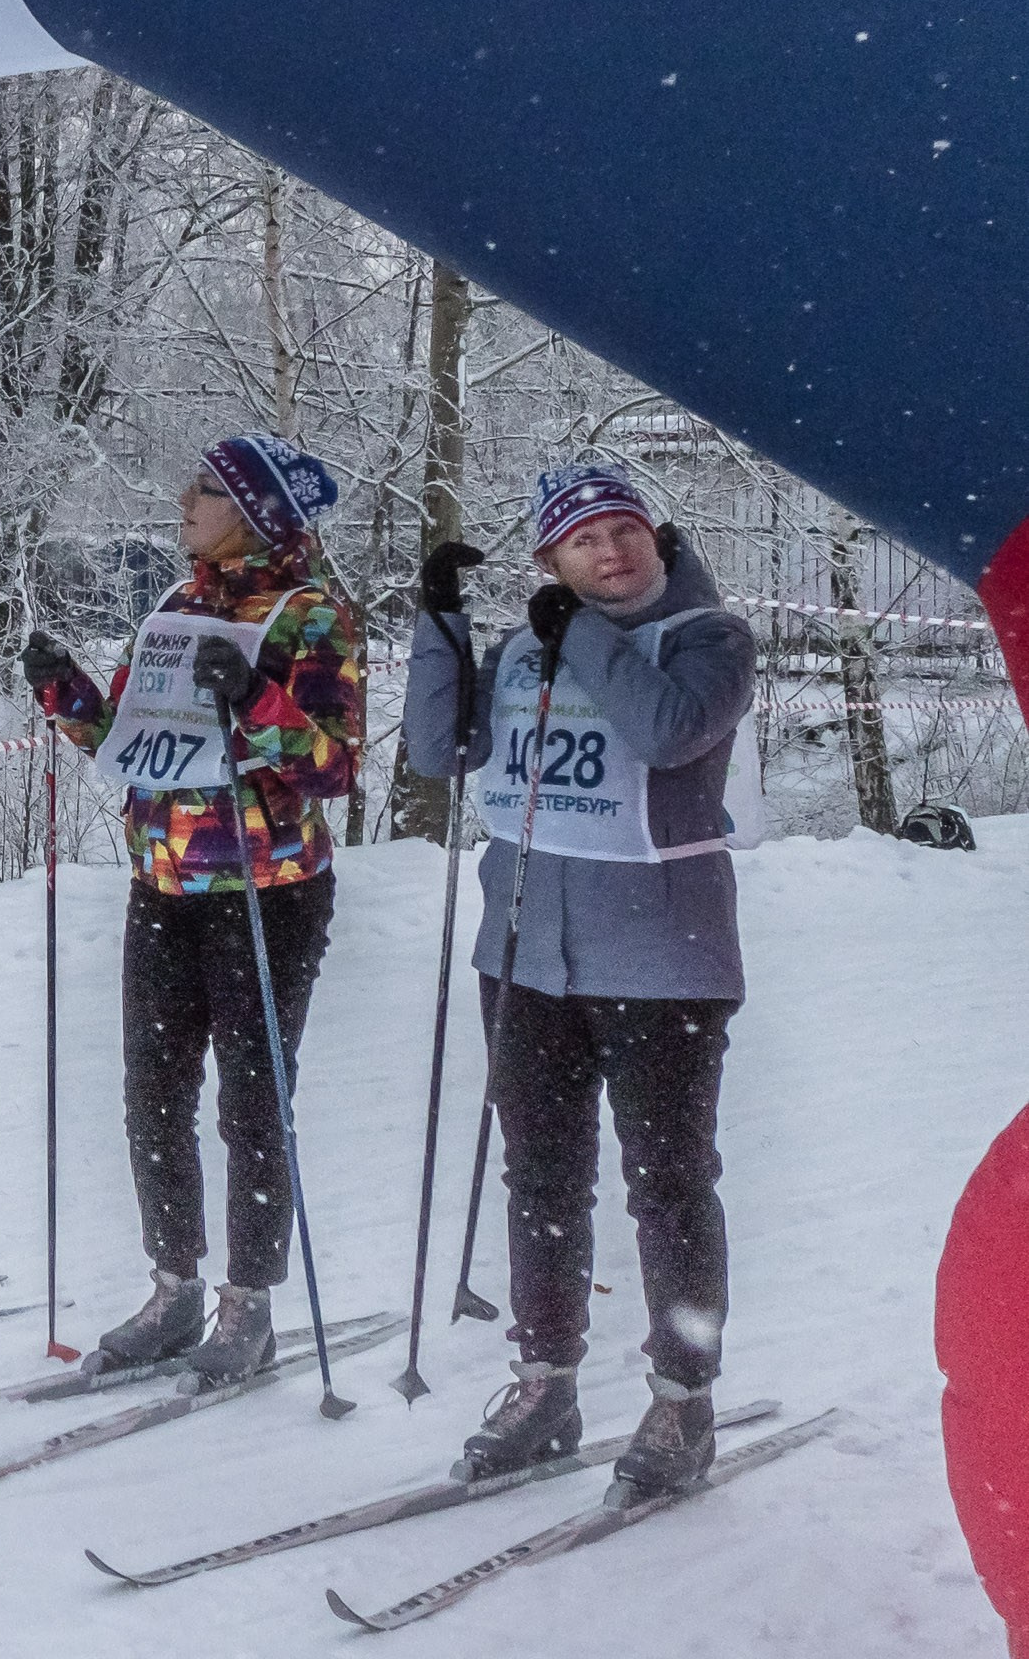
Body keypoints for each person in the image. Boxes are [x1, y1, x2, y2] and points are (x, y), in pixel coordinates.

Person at [404, 461, 754, 1496]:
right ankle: (544, 1379)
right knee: (542, 1178)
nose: (609, 551)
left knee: (668, 1185)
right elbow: (439, 747)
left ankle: (681, 1401)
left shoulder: (709, 636)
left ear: (654, 532)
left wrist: (580, 633)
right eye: (581, 539)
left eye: (623, 529)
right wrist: (441, 627)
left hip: (661, 960)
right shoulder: (525, 646)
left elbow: (665, 728)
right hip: (523, 953)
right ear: (548, 559)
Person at [23, 433, 361, 1380]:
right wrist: (63, 690)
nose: (183, 499)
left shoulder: (310, 616)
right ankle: (173, 1286)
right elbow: (126, 743)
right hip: (163, 881)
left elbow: (334, 767)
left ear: (253, 511)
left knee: (254, 1098)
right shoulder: (173, 605)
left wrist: (255, 695)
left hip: (269, 889)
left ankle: (247, 1304)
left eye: (206, 489)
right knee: (153, 1087)